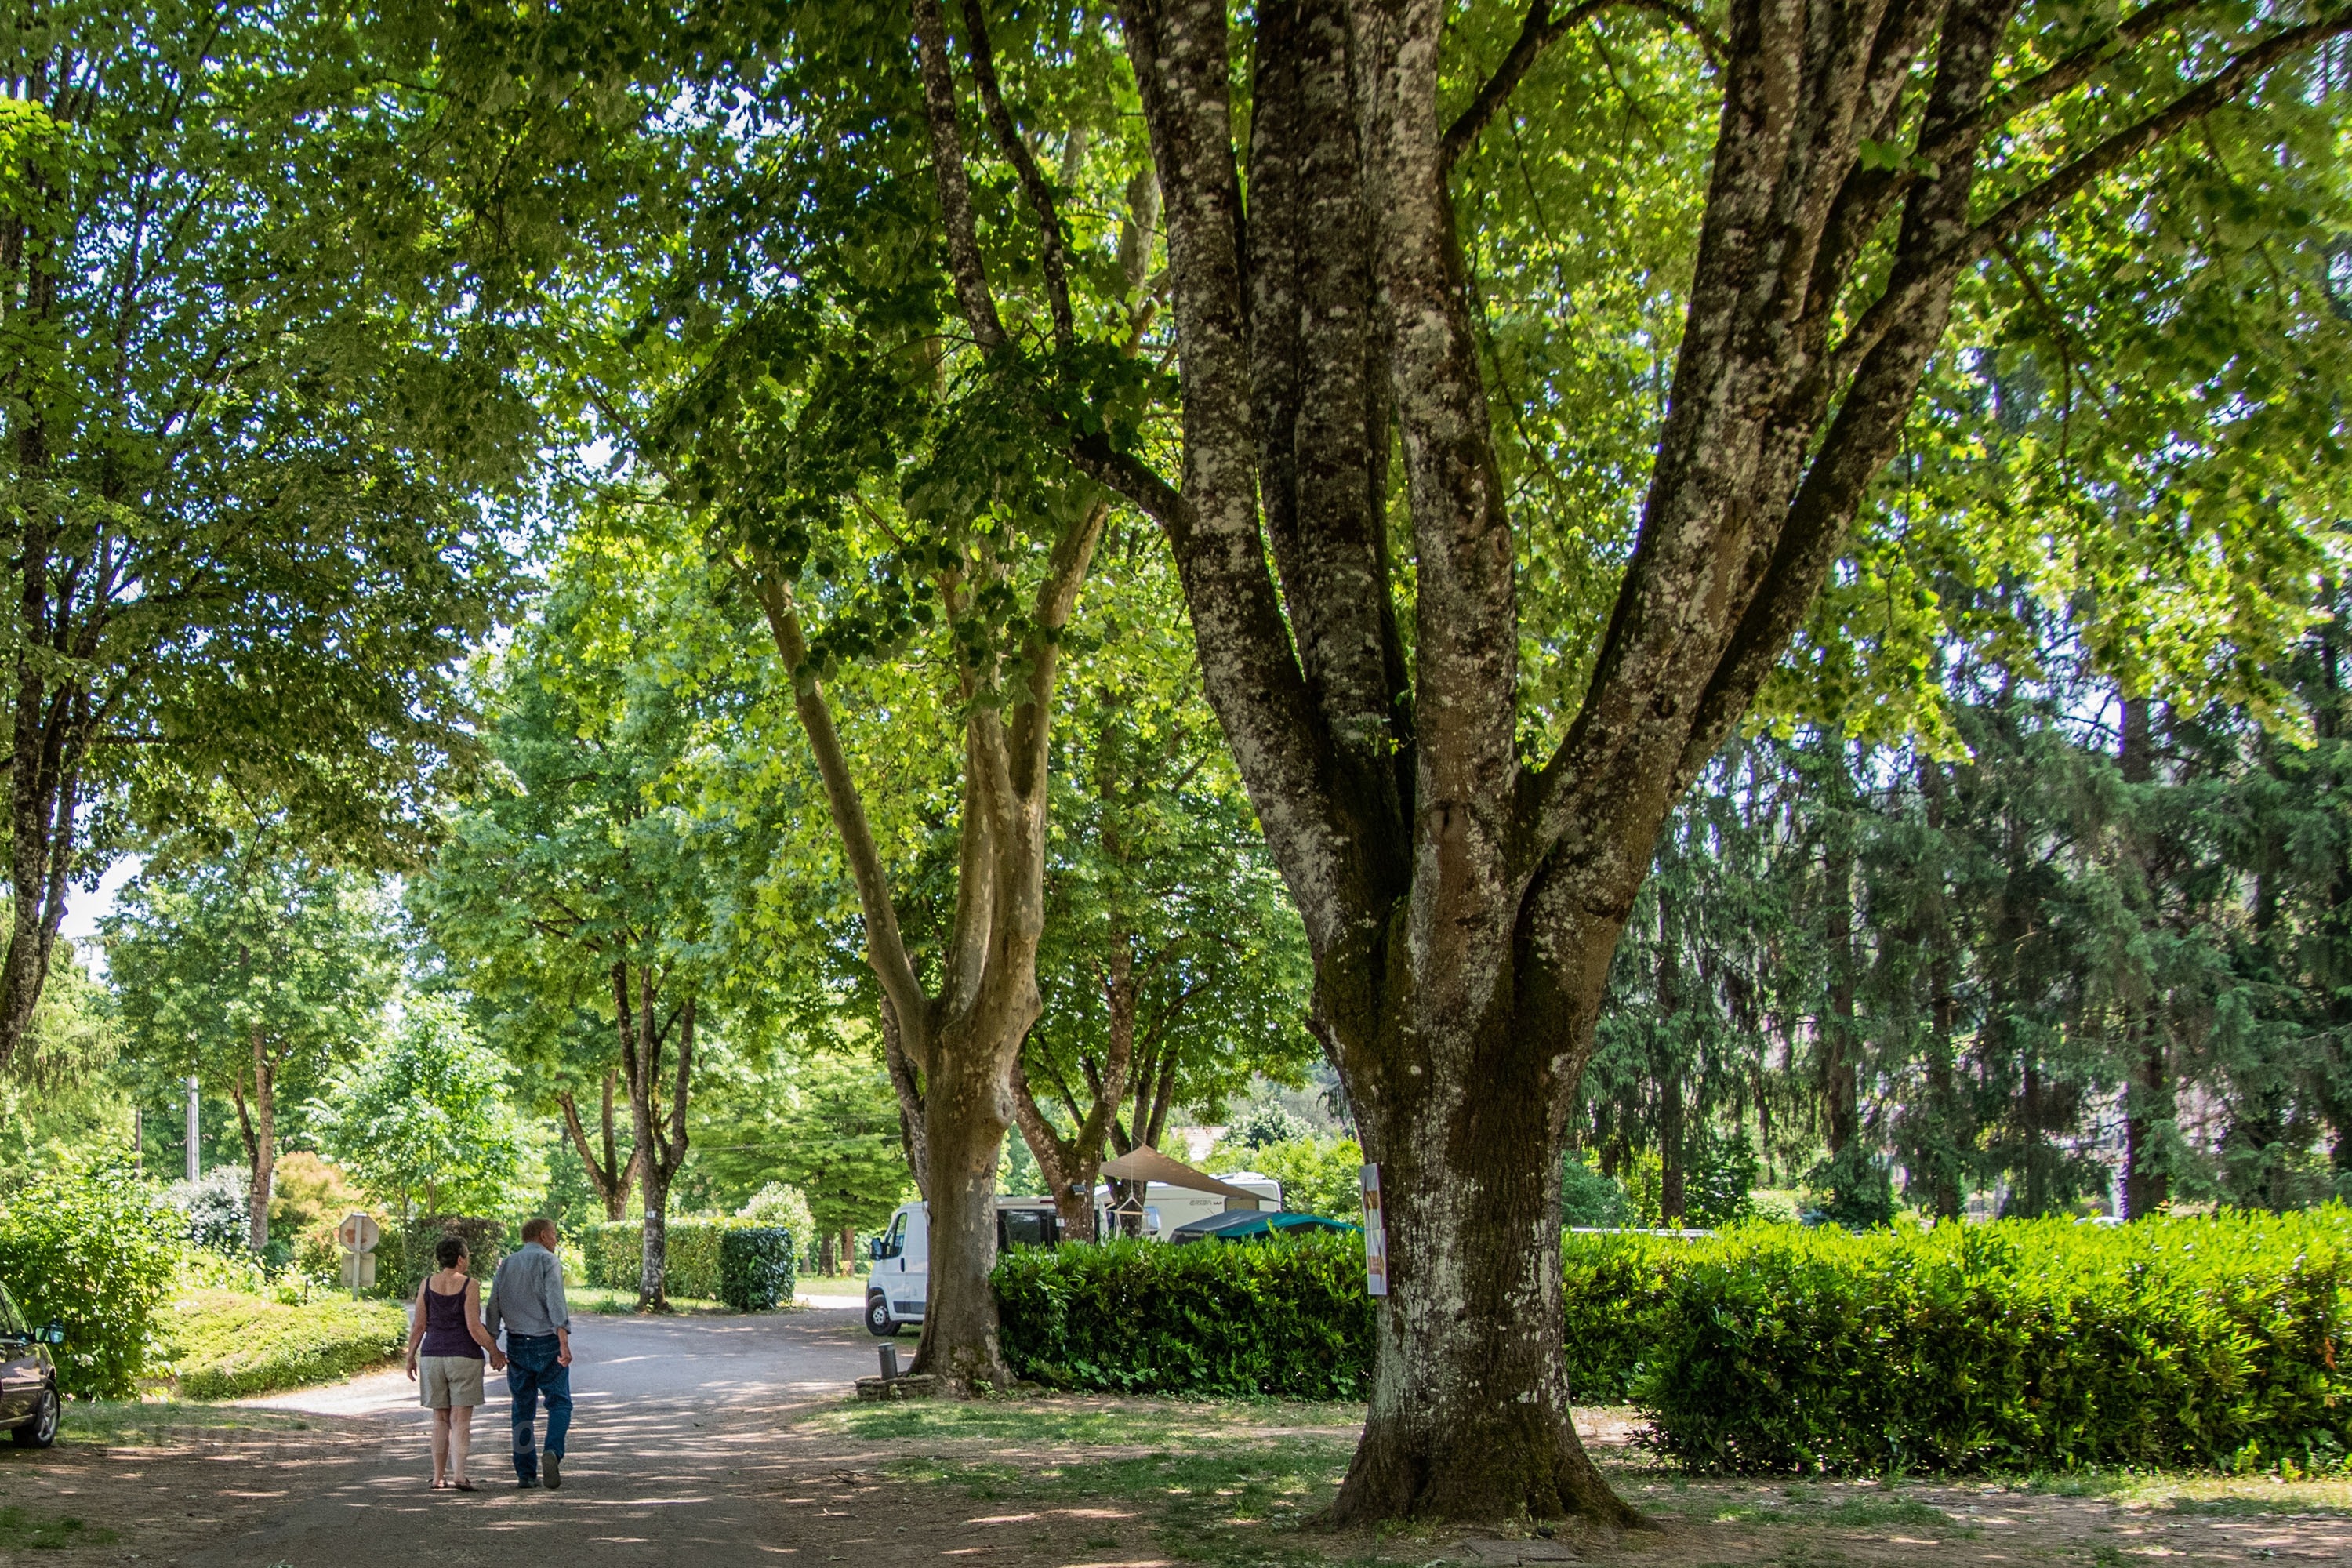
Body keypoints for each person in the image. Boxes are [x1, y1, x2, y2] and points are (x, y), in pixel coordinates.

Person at [403, 1233, 506, 1492]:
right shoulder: (469, 1285)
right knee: (461, 1420)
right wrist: (494, 1351)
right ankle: (460, 1475)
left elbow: (419, 1325)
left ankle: (438, 1477)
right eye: (467, 1255)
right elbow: (474, 1327)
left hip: (432, 1357)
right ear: (460, 1259)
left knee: (440, 1419)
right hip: (464, 1358)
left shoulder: (426, 1284)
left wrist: (409, 1357)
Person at [487, 1215, 573, 1490]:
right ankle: (552, 1451)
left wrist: (493, 1344)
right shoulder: (549, 1261)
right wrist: (564, 1341)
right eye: (555, 1234)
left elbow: (493, 1304)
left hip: (516, 1343)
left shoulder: (507, 1263)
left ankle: (525, 1473)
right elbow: (555, 1301)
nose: (556, 1239)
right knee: (559, 1402)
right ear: (543, 1235)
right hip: (547, 1341)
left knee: (522, 1409)